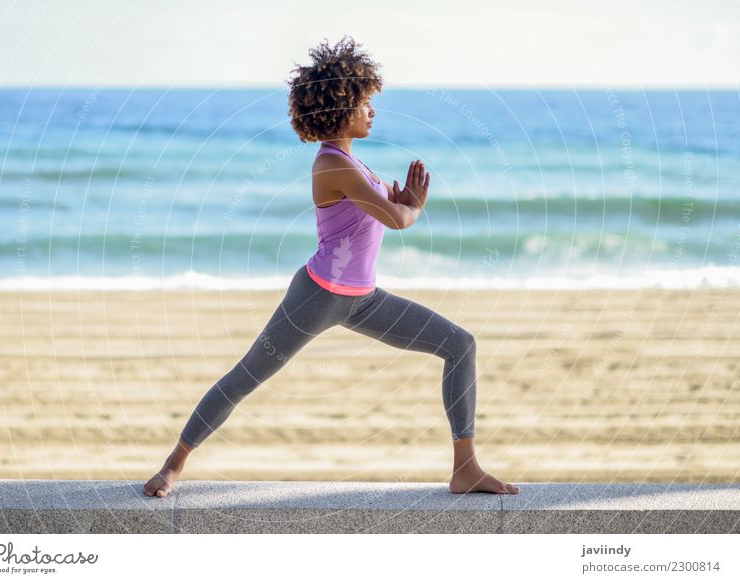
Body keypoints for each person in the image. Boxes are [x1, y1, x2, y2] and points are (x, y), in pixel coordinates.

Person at [144, 36, 519, 497]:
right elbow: (399, 221)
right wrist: (413, 206)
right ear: (341, 109)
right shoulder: (332, 165)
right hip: (318, 297)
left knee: (460, 344)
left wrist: (397, 200)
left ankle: (466, 467)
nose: (372, 111)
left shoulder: (353, 164)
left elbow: (382, 211)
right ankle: (173, 465)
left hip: (363, 299)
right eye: (364, 103)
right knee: (247, 376)